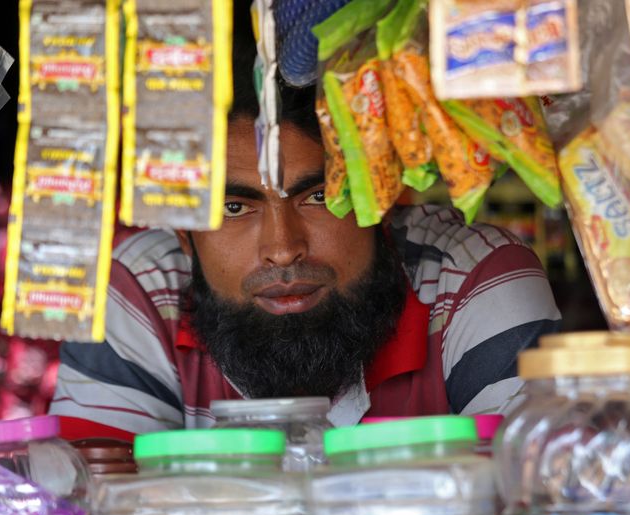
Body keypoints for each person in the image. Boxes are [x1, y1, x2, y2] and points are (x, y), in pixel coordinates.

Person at [49, 13, 561, 440]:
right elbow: (92, 508)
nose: (282, 248)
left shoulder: (470, 275)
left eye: (318, 197)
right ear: (182, 231)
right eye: (234, 208)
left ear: (376, 199)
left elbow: (536, 497)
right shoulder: (138, 287)